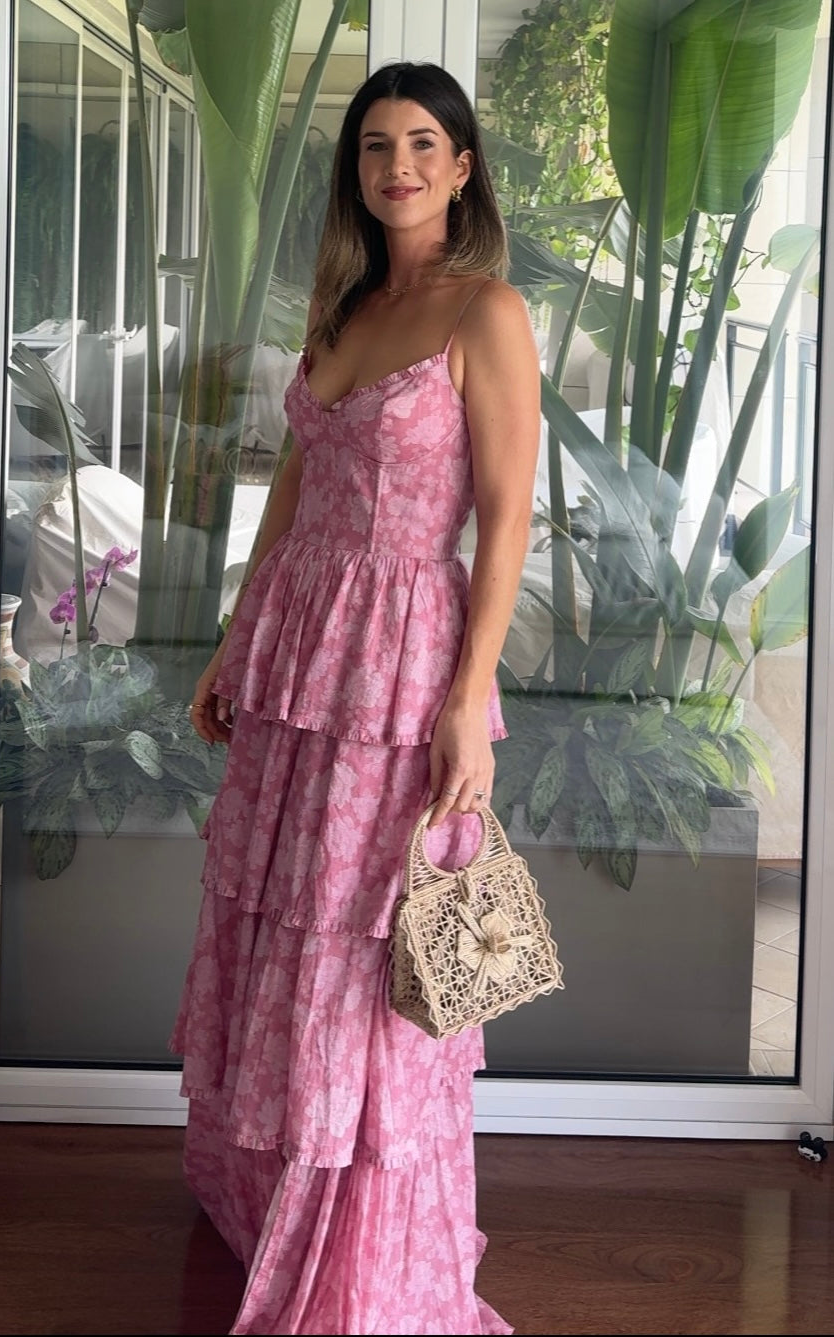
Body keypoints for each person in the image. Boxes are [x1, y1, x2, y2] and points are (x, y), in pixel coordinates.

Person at [173, 59, 541, 1336]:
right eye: (376, 145)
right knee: (285, 921)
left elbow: (506, 517)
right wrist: (234, 640)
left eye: (423, 142)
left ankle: (363, 1252)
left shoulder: (485, 311)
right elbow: (294, 482)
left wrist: (468, 694)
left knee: (367, 949)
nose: (398, 165)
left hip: (400, 664)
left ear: (463, 166)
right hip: (299, 657)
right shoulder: (341, 307)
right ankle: (275, 1196)